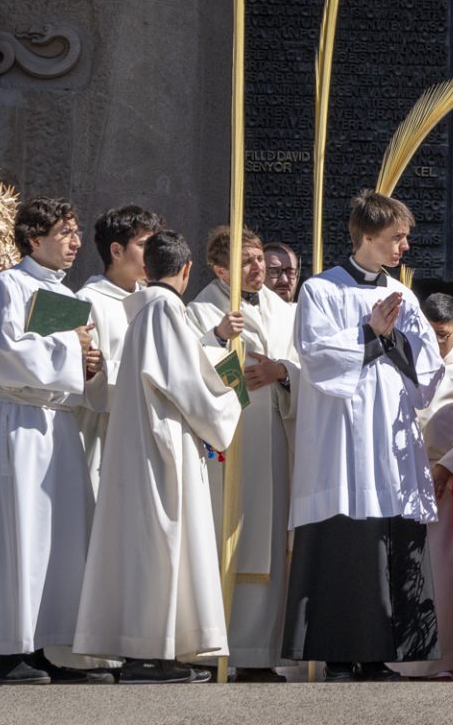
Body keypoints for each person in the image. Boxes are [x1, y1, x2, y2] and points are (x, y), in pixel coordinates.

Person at [284, 190, 443, 681]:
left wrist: (393, 337)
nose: (404, 247)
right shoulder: (321, 290)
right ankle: (335, 654)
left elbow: (428, 368)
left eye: (406, 237)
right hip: (341, 440)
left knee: (388, 536)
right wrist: (370, 333)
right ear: (367, 236)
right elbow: (316, 357)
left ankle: (378, 655)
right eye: (397, 237)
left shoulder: (405, 295)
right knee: (344, 540)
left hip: (389, 437)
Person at [0, 196, 111, 686]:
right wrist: (72, 349)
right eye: (64, 232)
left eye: (76, 230)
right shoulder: (9, 284)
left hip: (59, 423)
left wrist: (91, 365)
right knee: (19, 531)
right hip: (20, 421)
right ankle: (6, 652)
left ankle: (43, 644)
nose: (75, 241)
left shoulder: (67, 295)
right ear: (33, 238)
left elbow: (71, 364)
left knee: (58, 536)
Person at [73, 230, 243, 680]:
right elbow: (188, 385)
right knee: (163, 542)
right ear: (187, 270)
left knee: (146, 545)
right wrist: (230, 402)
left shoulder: (145, 313)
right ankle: (155, 653)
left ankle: (145, 649)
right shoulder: (166, 309)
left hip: (139, 444)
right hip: (162, 445)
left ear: (146, 269)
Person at [188, 225, 297, 682]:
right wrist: (218, 341)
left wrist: (282, 371)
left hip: (272, 431)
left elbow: (301, 360)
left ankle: (256, 653)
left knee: (268, 539)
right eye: (247, 263)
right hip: (226, 438)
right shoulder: (200, 311)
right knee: (218, 534)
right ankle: (209, 649)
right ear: (219, 269)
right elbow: (190, 369)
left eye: (259, 260)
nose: (259, 270)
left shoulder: (283, 309)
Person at [390, 292, 453, 680]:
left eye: (442, 335)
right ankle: (399, 658)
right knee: (402, 567)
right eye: (427, 332)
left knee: (439, 570)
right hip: (403, 473)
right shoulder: (404, 358)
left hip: (444, 479)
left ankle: (444, 659)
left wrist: (448, 465)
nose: (434, 341)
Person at [76, 204, 163, 487]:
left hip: (148, 434)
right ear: (116, 250)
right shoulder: (87, 301)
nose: (153, 254)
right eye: (143, 245)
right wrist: (100, 369)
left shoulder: (155, 300)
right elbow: (85, 380)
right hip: (104, 434)